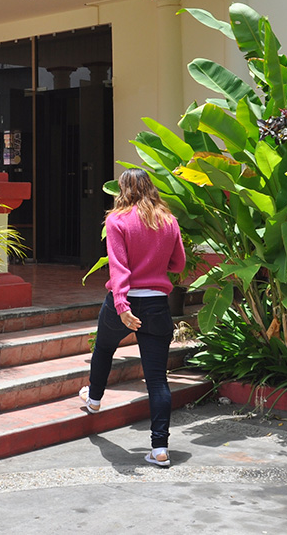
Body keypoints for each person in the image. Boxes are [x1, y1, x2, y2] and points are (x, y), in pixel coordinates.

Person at [79, 167, 185, 467]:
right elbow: (178, 264)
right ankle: (161, 448)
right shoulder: (168, 220)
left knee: (104, 347)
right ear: (150, 188)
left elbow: (119, 268)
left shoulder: (117, 220)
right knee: (157, 379)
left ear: (123, 190)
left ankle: (95, 400)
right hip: (156, 304)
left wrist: (123, 306)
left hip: (123, 303)